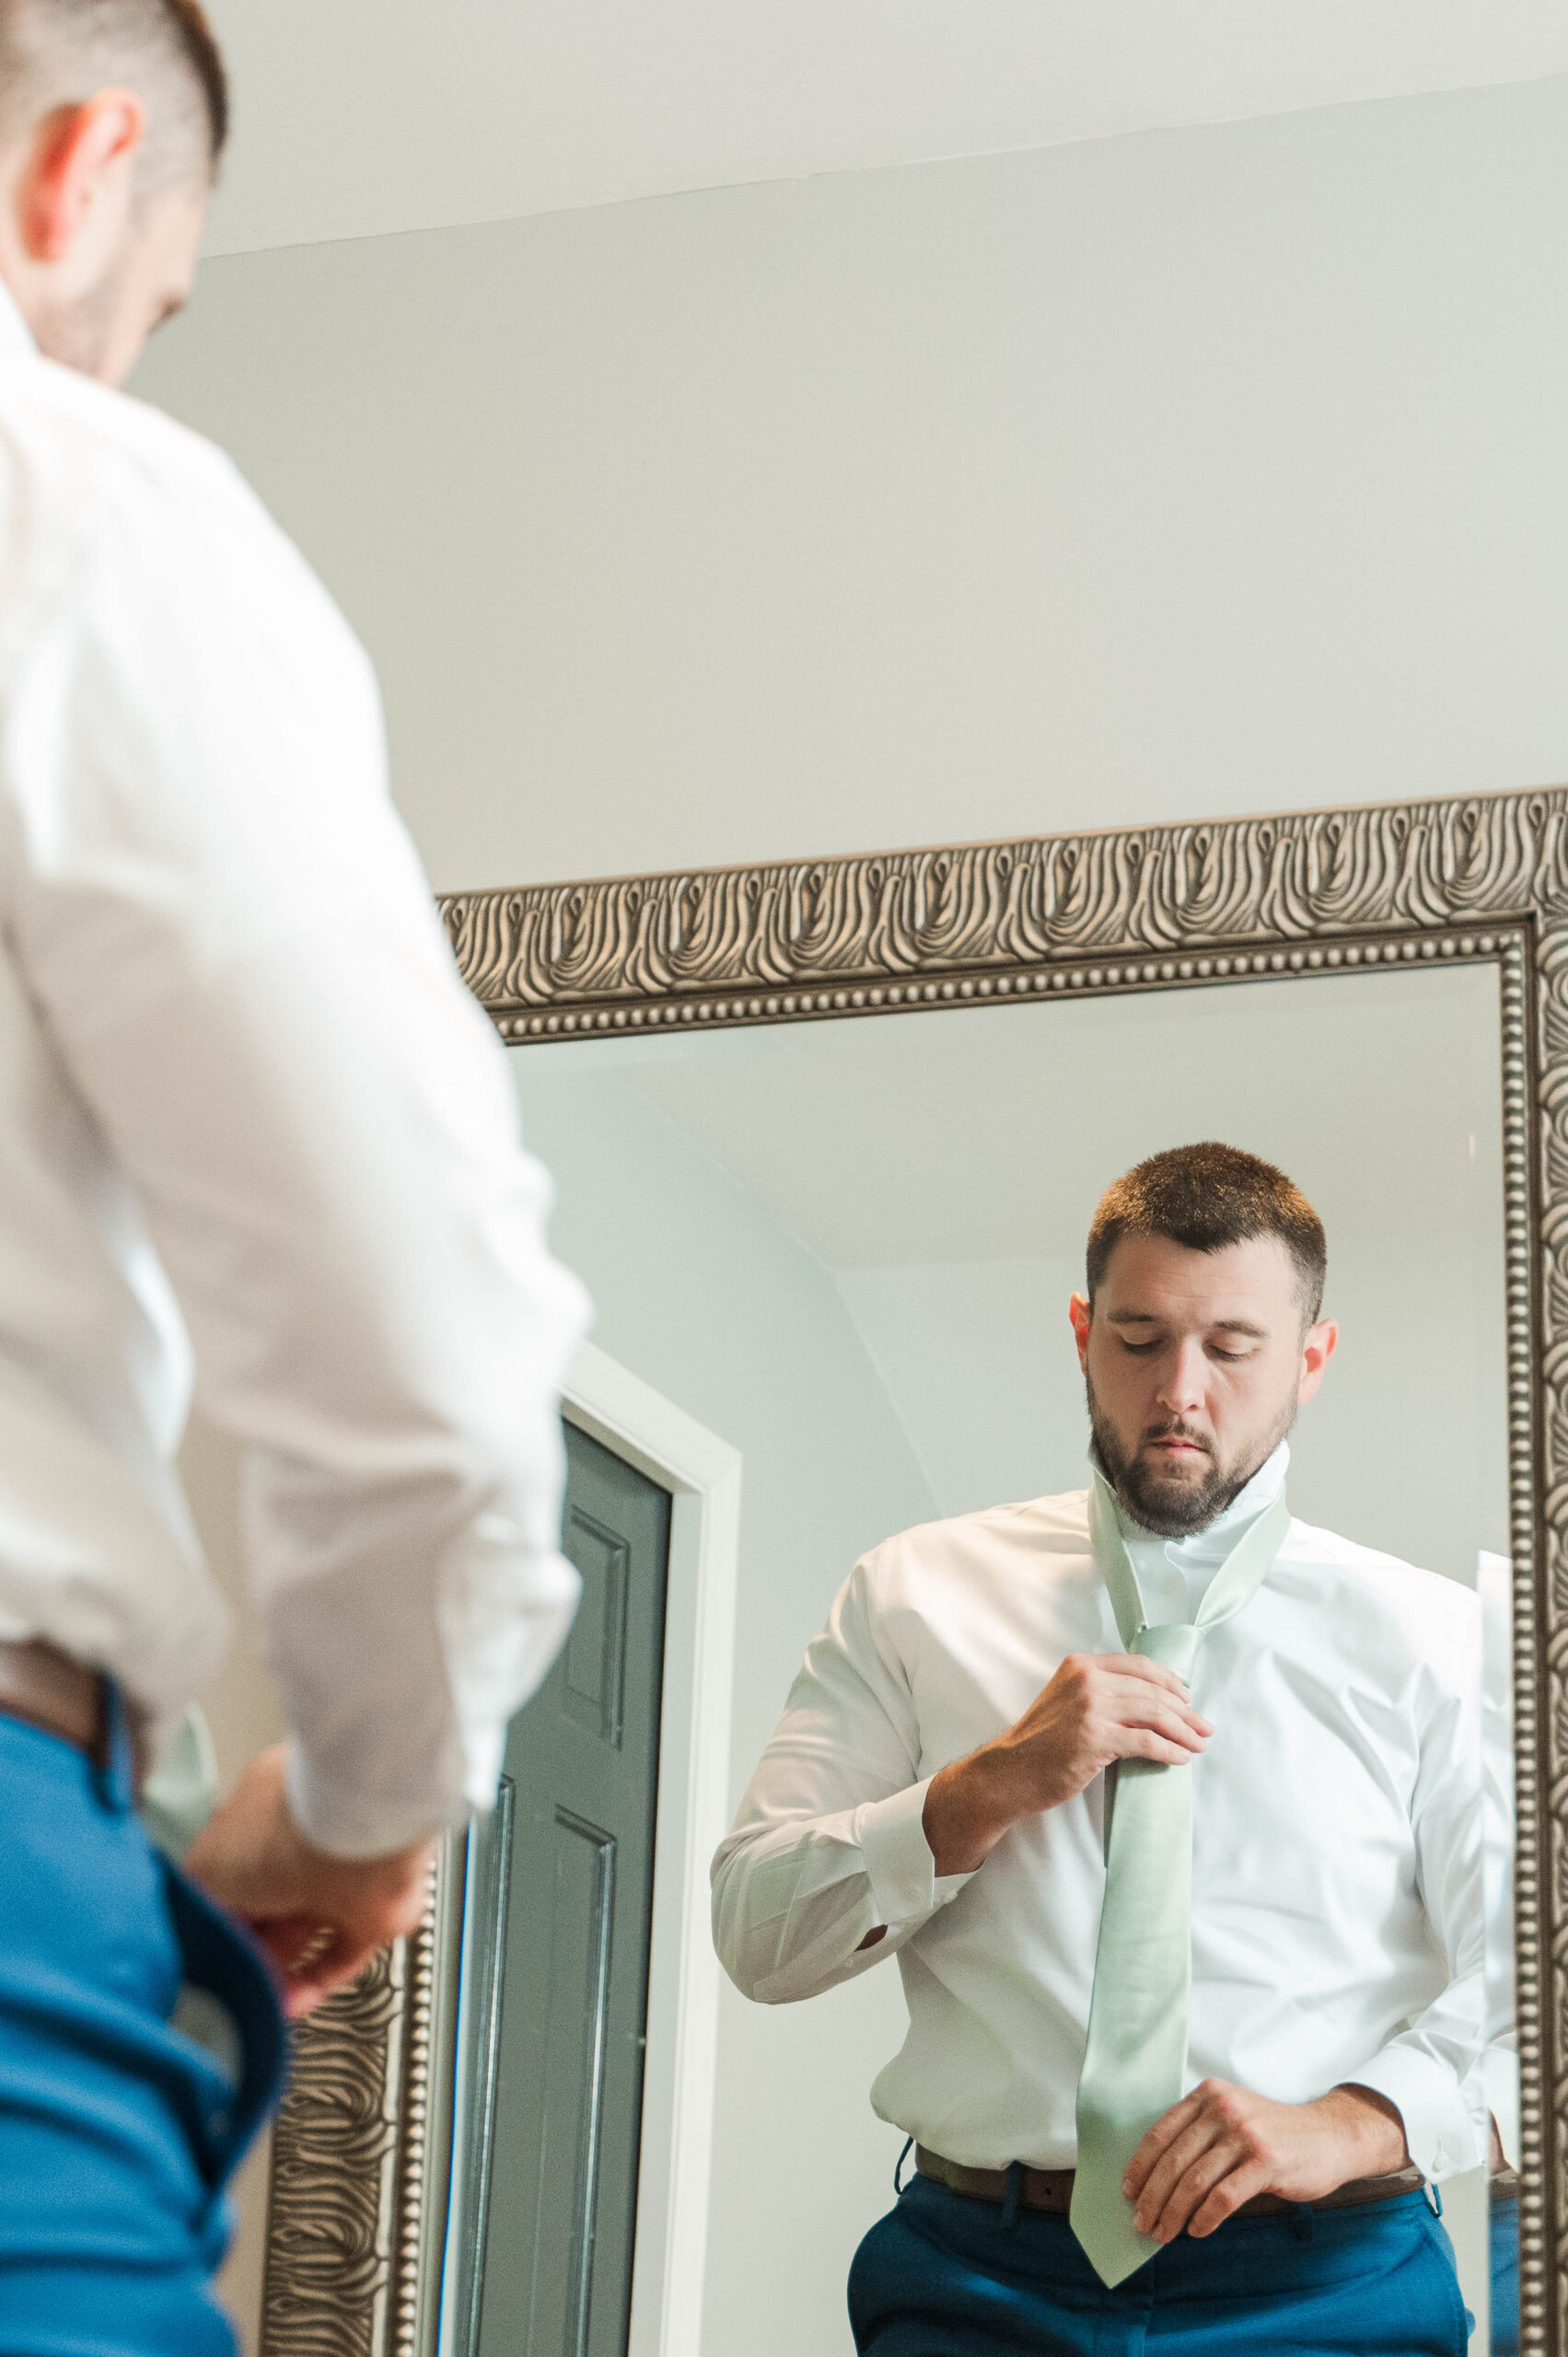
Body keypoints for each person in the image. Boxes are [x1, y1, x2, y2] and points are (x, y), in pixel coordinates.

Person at [0, 6, 588, 2351]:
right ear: (78, 173)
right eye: (147, 318)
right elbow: (415, 1365)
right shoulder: (65, 505)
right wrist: (365, 1792)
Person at [714, 1143, 1483, 2356]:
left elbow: (1530, 1996)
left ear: (1312, 1361)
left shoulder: (1441, 1639)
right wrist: (986, 1787)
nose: (1181, 1388)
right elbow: (759, 1935)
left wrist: (1359, 2121)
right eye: (1139, 1338)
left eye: (1233, 1347)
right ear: (1082, 1333)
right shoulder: (915, 1592)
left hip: (1327, 2286)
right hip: (979, 2283)